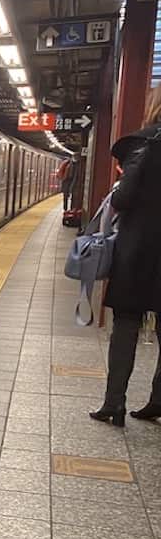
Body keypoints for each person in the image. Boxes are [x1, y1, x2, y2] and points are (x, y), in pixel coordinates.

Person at [90, 84, 161, 426]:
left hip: (139, 251)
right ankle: (158, 401)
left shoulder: (143, 145)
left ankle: (114, 404)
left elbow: (123, 199)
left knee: (126, 326)